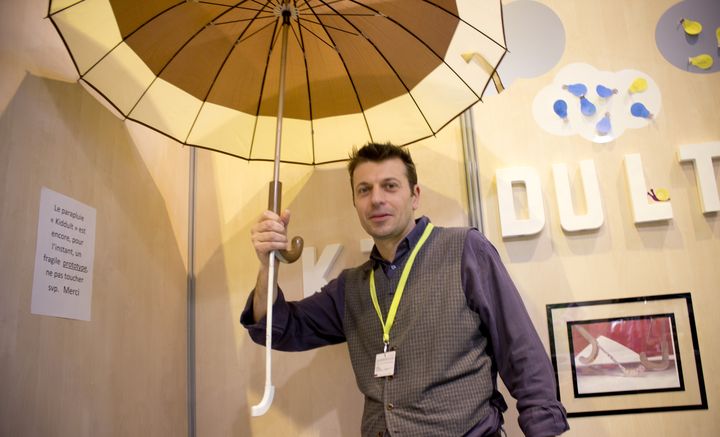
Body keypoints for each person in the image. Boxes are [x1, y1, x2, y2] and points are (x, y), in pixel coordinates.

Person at [242, 142, 569, 437]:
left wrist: (544, 429)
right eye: (364, 190)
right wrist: (266, 265)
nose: (377, 199)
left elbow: (519, 348)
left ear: (414, 195)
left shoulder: (465, 250)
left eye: (390, 186)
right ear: (355, 203)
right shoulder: (351, 287)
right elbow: (276, 328)